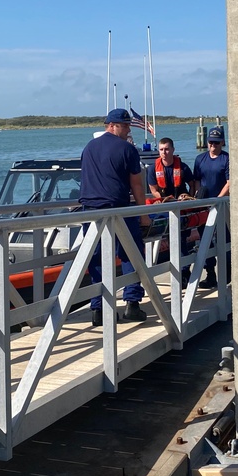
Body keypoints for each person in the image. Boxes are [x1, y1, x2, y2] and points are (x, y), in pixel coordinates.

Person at [79, 108, 148, 325]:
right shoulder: (127, 149)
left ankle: (98, 309)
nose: (128, 130)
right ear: (111, 125)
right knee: (131, 252)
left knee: (96, 258)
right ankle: (132, 303)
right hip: (117, 208)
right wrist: (143, 213)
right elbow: (136, 185)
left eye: (128, 125)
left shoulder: (89, 147)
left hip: (90, 209)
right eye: (125, 125)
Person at [147, 137, 198, 285]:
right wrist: (164, 199)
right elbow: (153, 190)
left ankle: (184, 271)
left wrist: (188, 196)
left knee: (181, 239)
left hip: (181, 209)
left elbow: (192, 184)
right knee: (163, 239)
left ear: (173, 150)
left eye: (167, 149)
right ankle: (162, 273)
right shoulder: (152, 169)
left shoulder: (182, 167)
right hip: (164, 208)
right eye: (162, 149)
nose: (164, 152)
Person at [192, 126, 230, 289]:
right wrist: (199, 198)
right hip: (204, 205)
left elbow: (229, 182)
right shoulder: (200, 159)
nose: (212, 146)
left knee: (225, 239)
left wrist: (218, 199)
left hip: (222, 205)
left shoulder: (226, 159)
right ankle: (210, 274)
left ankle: (227, 274)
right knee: (204, 239)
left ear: (222, 142)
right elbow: (196, 181)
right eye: (210, 142)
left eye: (216, 142)